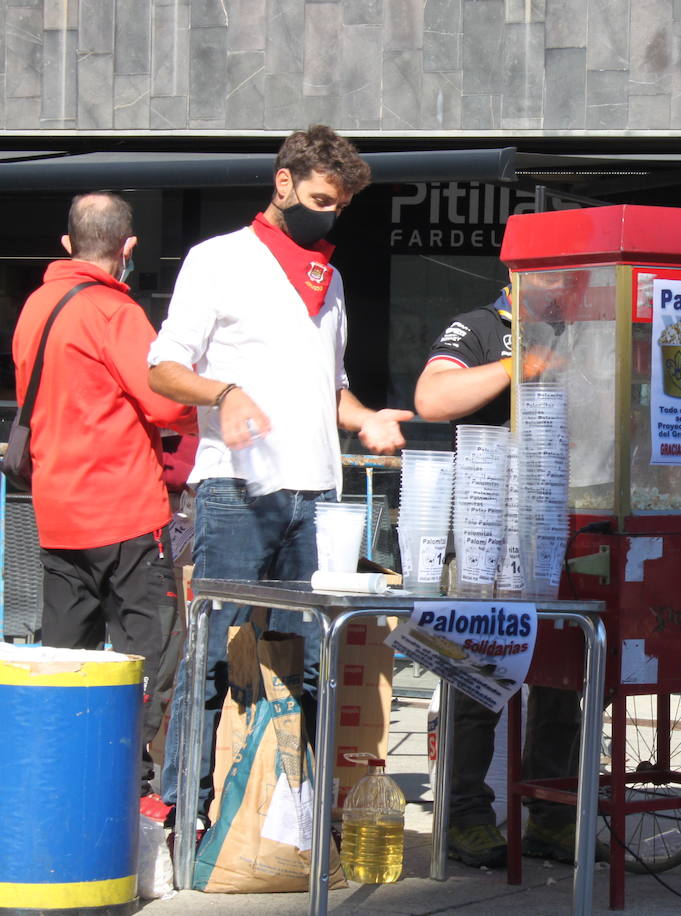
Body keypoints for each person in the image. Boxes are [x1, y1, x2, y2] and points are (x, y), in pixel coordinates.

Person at [148, 125, 412, 823]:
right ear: (284, 183)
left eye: (341, 208)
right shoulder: (218, 260)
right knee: (214, 651)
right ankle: (184, 808)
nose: (328, 216)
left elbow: (331, 385)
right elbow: (164, 365)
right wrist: (225, 393)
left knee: (312, 661)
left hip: (319, 493)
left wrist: (362, 419)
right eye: (322, 199)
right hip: (236, 490)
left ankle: (293, 816)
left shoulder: (331, 278)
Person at [12, 191, 198, 796]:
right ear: (130, 248)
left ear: (66, 245)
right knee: (149, 660)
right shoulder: (116, 313)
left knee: (66, 659)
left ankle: (64, 781)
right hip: (124, 511)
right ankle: (133, 785)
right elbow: (166, 401)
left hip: (57, 511)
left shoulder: (36, 306)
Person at [412, 281, 585, 868]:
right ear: (517, 273)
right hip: (490, 526)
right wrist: (518, 365)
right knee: (478, 671)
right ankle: (464, 814)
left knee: (565, 675)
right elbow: (431, 399)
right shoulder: (482, 325)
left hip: (569, 520)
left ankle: (555, 815)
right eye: (553, 276)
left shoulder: (584, 331)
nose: (564, 288)